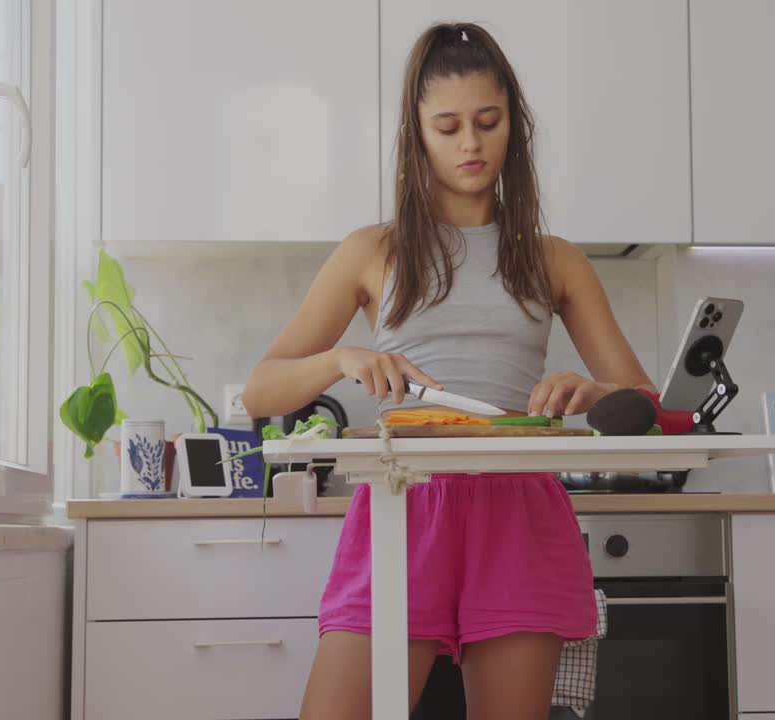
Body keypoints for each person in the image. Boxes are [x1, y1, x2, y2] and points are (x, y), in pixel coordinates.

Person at [242, 22, 657, 720]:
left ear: (513, 128)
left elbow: (646, 404)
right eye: (449, 126)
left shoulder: (556, 260)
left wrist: (597, 392)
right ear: (418, 134)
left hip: (519, 512)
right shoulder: (369, 251)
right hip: (404, 504)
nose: (471, 144)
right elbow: (262, 389)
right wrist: (344, 357)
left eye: (488, 122)